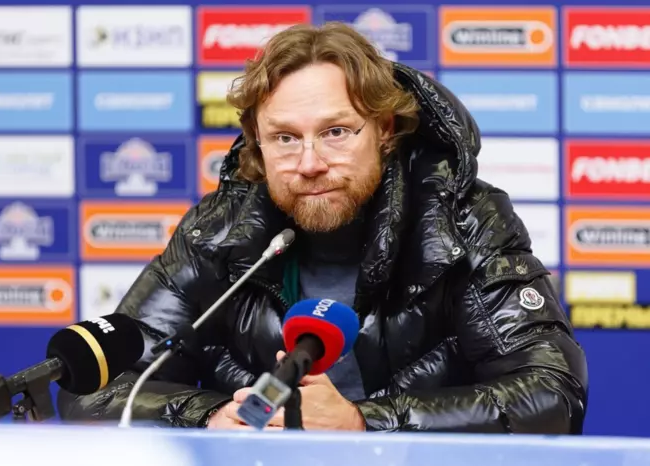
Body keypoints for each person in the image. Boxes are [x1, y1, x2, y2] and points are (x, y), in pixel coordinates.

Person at [58, 22, 588, 433]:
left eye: (336, 131)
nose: (309, 163)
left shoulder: (461, 220)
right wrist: (210, 418)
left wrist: (363, 424)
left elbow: (550, 394)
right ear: (258, 143)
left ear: (383, 129)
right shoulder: (217, 233)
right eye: (285, 138)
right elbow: (94, 389)